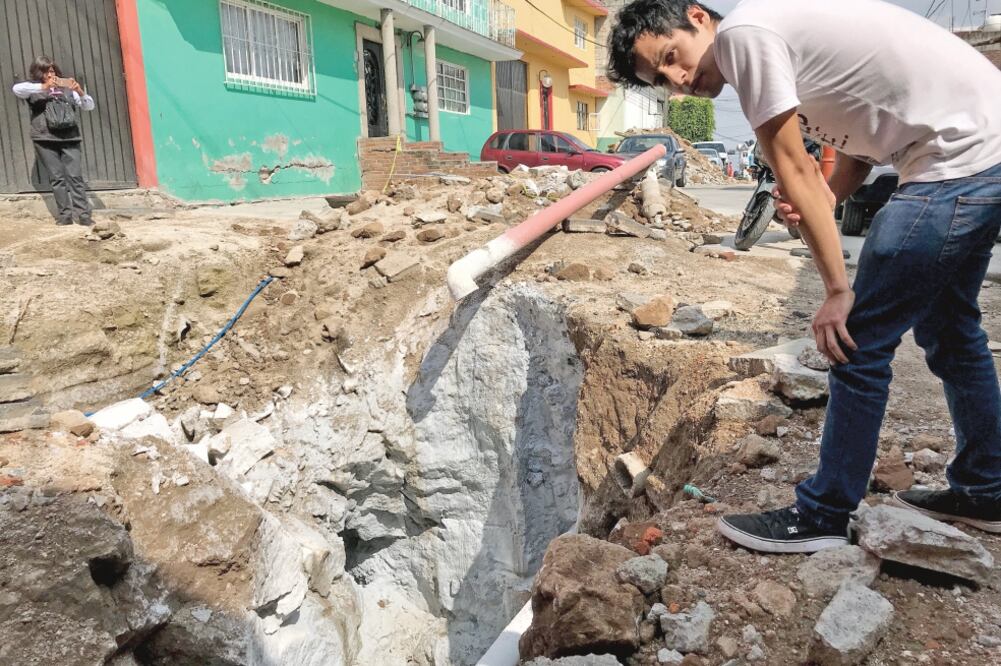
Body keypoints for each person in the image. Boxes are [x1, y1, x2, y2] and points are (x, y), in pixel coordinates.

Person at [608, 0, 1001, 553]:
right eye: (662, 79)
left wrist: (838, 290)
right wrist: (828, 196)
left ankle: (824, 513)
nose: (678, 79)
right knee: (951, 329)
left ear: (697, 18)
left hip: (957, 158)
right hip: (980, 147)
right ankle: (986, 489)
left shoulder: (744, 37)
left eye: (671, 56)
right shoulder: (774, 41)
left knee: (855, 339)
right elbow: (859, 148)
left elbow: (793, 166)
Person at [12, 56, 96, 226]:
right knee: (57, 178)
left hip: (70, 137)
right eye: (46, 71)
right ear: (38, 73)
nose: (50, 74)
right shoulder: (33, 88)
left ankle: (84, 216)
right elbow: (16, 89)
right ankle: (65, 217)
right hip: (45, 139)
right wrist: (44, 87)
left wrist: (80, 91)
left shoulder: (68, 89)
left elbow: (88, 106)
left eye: (52, 70)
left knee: (75, 176)